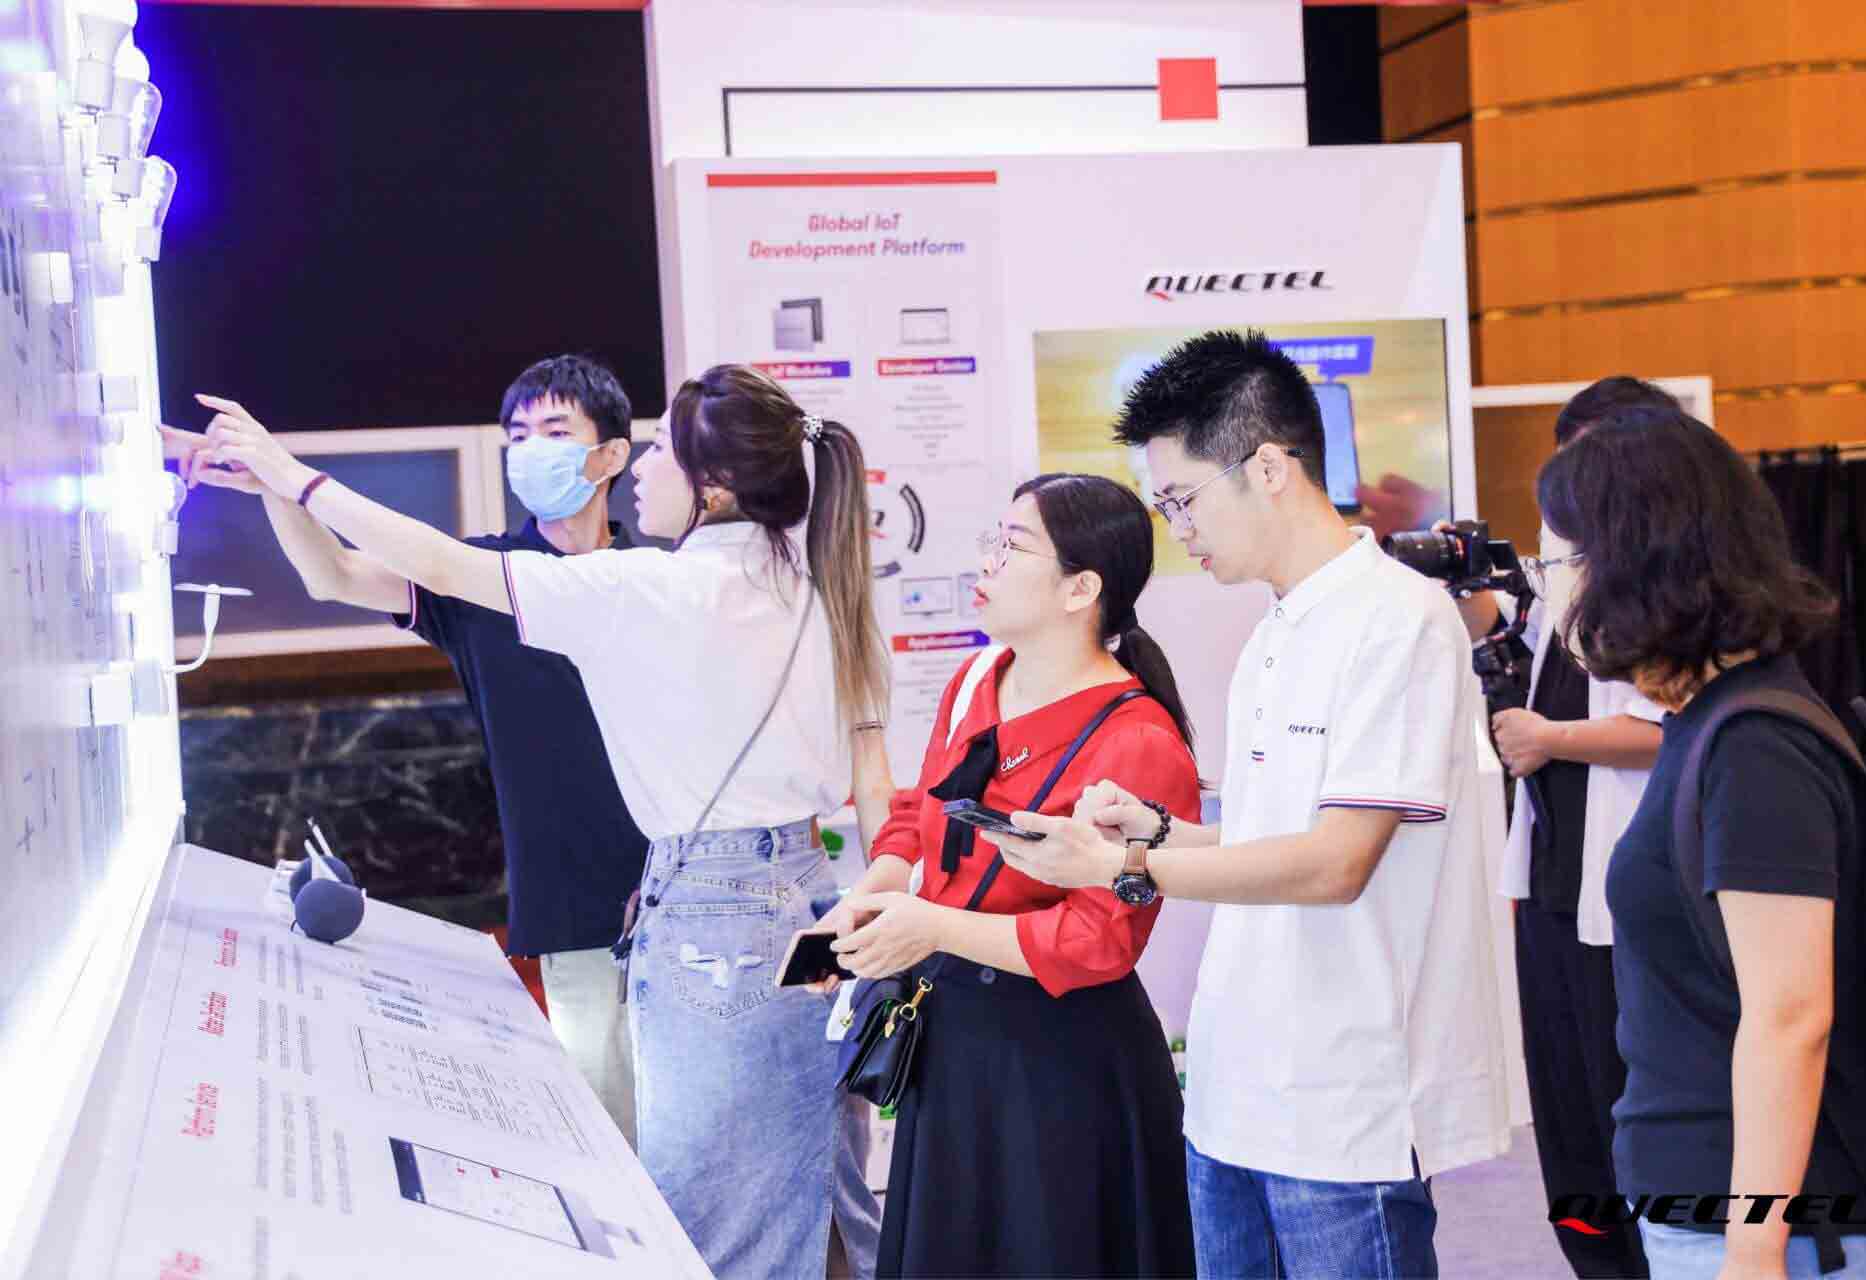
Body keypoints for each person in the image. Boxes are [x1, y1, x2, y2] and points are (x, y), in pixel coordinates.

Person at [194, 363, 890, 1278]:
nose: (646, 466)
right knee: (813, 1191)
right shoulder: (807, 583)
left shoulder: (643, 586)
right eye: (516, 434)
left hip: (708, 921)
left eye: (661, 451)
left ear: (709, 484)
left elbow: (439, 561)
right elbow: (378, 572)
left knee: (702, 1225)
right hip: (795, 898)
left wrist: (294, 476)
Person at [981, 330, 1508, 1278]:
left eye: (1183, 499)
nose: (1177, 527)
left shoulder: (1396, 619)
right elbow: (1273, 842)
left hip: (1347, 1104)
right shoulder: (1275, 630)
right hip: (1236, 1093)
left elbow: (1337, 864)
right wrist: (1160, 833)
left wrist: (1126, 867)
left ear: (1267, 468)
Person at [174, 355, 656, 1150]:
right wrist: (274, 489)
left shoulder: (655, 579)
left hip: (678, 896)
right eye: (518, 435)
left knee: (700, 1142)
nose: (530, 449)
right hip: (573, 909)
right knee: (613, 1135)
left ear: (609, 455)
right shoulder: (480, 578)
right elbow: (332, 575)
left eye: (554, 430)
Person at [823, 473, 1201, 1279]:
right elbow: (918, 811)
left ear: (1081, 588)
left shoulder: (1137, 739)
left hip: (1060, 1066)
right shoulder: (975, 679)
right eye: (992, 539)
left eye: (1013, 545)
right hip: (953, 1042)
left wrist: (931, 928)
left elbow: (1099, 942)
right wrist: (871, 894)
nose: (987, 561)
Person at [1537, 408, 1866, 1280]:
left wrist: (1753, 1248)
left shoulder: (1754, 743)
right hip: (1710, 1201)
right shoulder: (1713, 723)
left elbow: (1790, 1015)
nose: (1560, 585)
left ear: (1631, 563)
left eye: (1569, 557)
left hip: (1769, 1227)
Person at [1460, 376, 1679, 1278]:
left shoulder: (1672, 583)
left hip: (1629, 902)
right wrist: (1474, 594)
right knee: (1569, 1113)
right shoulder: (1571, 573)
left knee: (1629, 1106)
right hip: (1553, 888)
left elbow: (1674, 729)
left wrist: (1550, 739)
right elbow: (1525, 654)